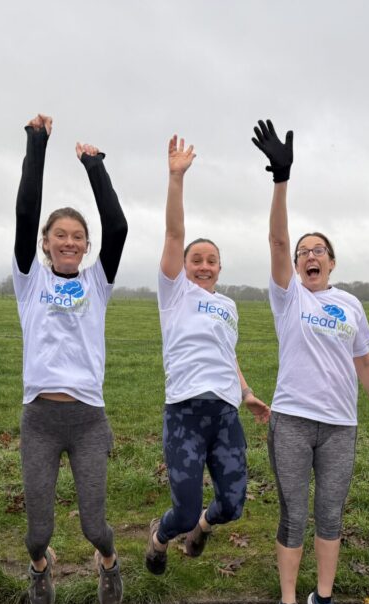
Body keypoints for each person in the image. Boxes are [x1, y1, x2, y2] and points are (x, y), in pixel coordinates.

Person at [252, 119, 369, 604]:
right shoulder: (289, 298)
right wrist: (281, 179)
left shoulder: (351, 305)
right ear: (295, 265)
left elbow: (363, 359)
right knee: (294, 515)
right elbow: (275, 237)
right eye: (303, 251)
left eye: (319, 251)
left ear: (332, 262)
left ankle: (324, 600)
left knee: (331, 517)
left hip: (340, 426)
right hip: (292, 420)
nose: (309, 255)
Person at [13, 114, 128, 604]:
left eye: (77, 236)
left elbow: (118, 226)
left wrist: (95, 167)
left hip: (87, 420)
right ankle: (41, 568)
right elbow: (24, 211)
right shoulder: (29, 279)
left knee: (93, 525)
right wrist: (37, 145)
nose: (69, 241)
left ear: (85, 245)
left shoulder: (98, 281)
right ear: (45, 243)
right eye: (59, 235)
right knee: (37, 532)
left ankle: (108, 560)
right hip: (39, 419)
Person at [145, 135, 270, 575]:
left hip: (225, 413)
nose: (203, 265)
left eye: (211, 260)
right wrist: (176, 178)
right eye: (196, 259)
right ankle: (161, 540)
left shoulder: (229, 305)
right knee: (180, 511)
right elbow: (174, 231)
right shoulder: (173, 293)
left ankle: (202, 527)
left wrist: (247, 391)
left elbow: (226, 354)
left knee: (232, 505)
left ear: (220, 267)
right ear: (184, 264)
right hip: (184, 412)